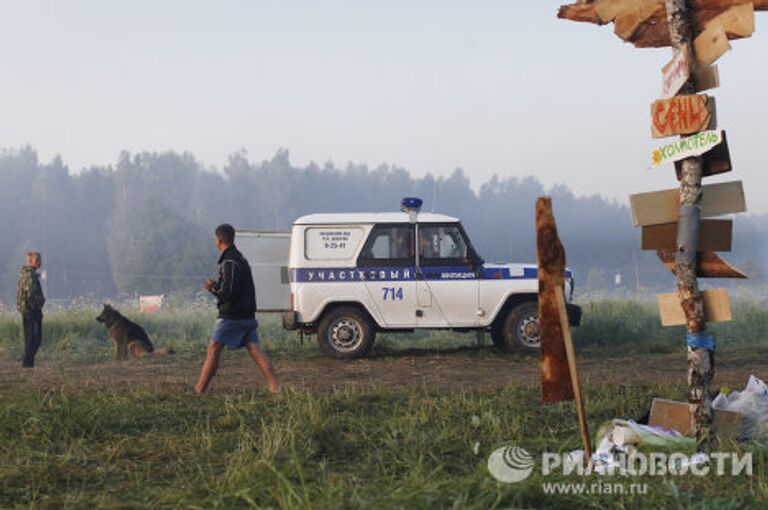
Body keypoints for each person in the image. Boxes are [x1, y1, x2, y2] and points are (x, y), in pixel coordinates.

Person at [194, 224, 280, 394]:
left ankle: (199, 389)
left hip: (232, 316)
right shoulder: (240, 259)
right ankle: (275, 386)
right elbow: (235, 288)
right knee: (255, 350)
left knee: (213, 349)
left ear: (219, 240)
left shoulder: (229, 262)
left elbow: (228, 293)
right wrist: (218, 286)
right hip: (247, 314)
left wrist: (212, 288)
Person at [16, 251, 45, 368]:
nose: (40, 262)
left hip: (27, 310)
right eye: (38, 260)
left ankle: (28, 363)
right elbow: (30, 294)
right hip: (31, 311)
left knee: (32, 337)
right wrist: (37, 306)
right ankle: (27, 363)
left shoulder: (26, 274)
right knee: (34, 337)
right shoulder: (30, 275)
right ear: (32, 261)